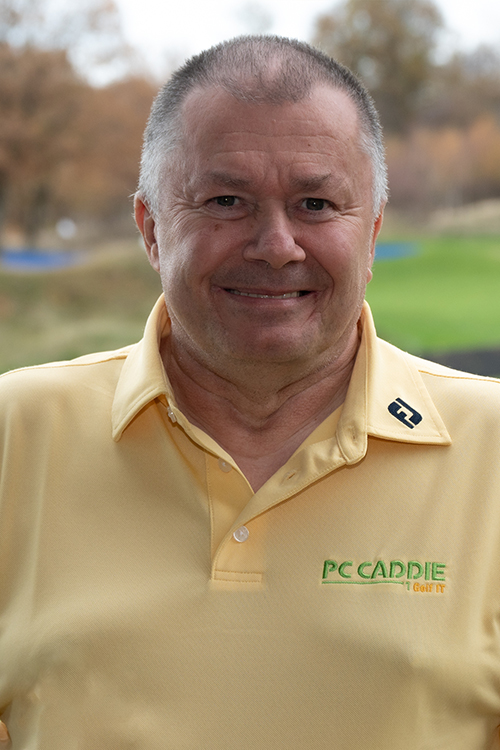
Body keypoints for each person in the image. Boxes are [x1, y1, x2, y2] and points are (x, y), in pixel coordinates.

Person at [1, 35, 500, 750]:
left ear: (372, 233)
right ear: (150, 229)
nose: (275, 245)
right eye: (227, 201)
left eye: (316, 203)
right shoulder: (14, 436)